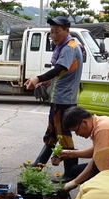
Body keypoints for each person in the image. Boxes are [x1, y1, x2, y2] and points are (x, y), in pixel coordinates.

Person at [23, 16, 83, 181]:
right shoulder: (64, 47)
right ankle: (38, 165)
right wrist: (46, 83)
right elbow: (62, 73)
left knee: (64, 136)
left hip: (65, 101)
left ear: (67, 31)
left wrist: (38, 78)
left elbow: (59, 69)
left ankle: (70, 174)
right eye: (52, 32)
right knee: (52, 134)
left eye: (57, 31)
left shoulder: (70, 47)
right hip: (59, 99)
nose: (54, 35)